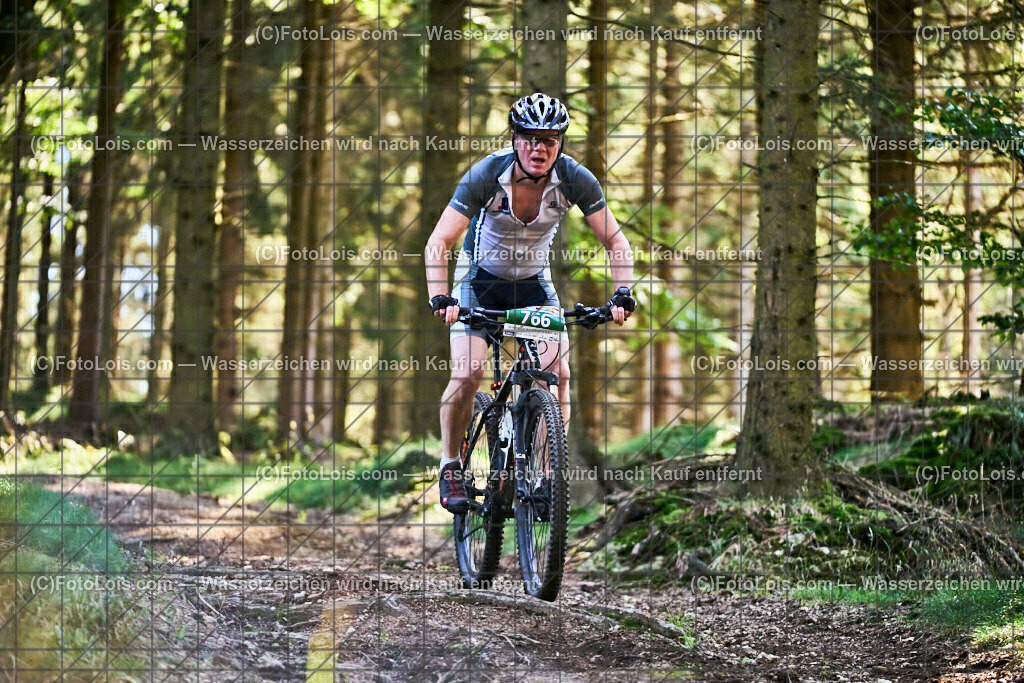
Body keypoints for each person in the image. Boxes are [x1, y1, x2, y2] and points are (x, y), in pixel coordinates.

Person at [424, 92, 636, 513]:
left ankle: (545, 474)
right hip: (478, 282)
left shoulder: (574, 179)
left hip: (533, 286)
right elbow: (439, 242)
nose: (539, 149)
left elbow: (616, 242)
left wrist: (623, 293)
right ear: (514, 138)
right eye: (529, 139)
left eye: (549, 140)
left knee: (557, 373)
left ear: (560, 143)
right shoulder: (487, 174)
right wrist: (440, 297)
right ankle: (450, 465)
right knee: (468, 373)